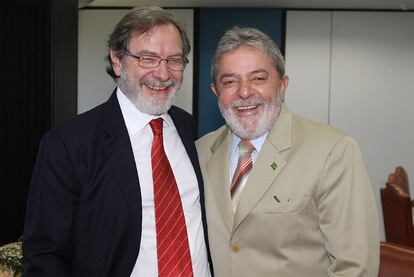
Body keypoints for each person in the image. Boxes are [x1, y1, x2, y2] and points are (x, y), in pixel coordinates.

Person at [23, 6, 212, 276]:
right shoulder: (68, 145)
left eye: (174, 60)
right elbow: (44, 256)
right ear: (116, 60)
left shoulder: (189, 128)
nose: (162, 73)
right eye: (147, 58)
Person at [196, 26, 379, 276]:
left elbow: (356, 268)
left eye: (258, 78)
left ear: (282, 85)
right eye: (229, 81)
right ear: (216, 92)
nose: (245, 91)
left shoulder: (333, 152)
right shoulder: (200, 151)